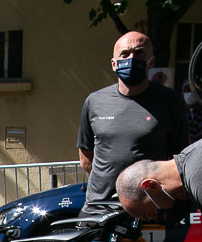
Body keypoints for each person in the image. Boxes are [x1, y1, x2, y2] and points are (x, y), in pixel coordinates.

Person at [78, 32, 188, 212]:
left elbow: (179, 157)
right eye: (125, 54)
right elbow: (85, 156)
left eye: (139, 53)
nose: (131, 59)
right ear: (114, 64)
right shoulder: (94, 101)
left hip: (148, 208)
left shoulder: (171, 101)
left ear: (151, 62)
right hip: (99, 207)